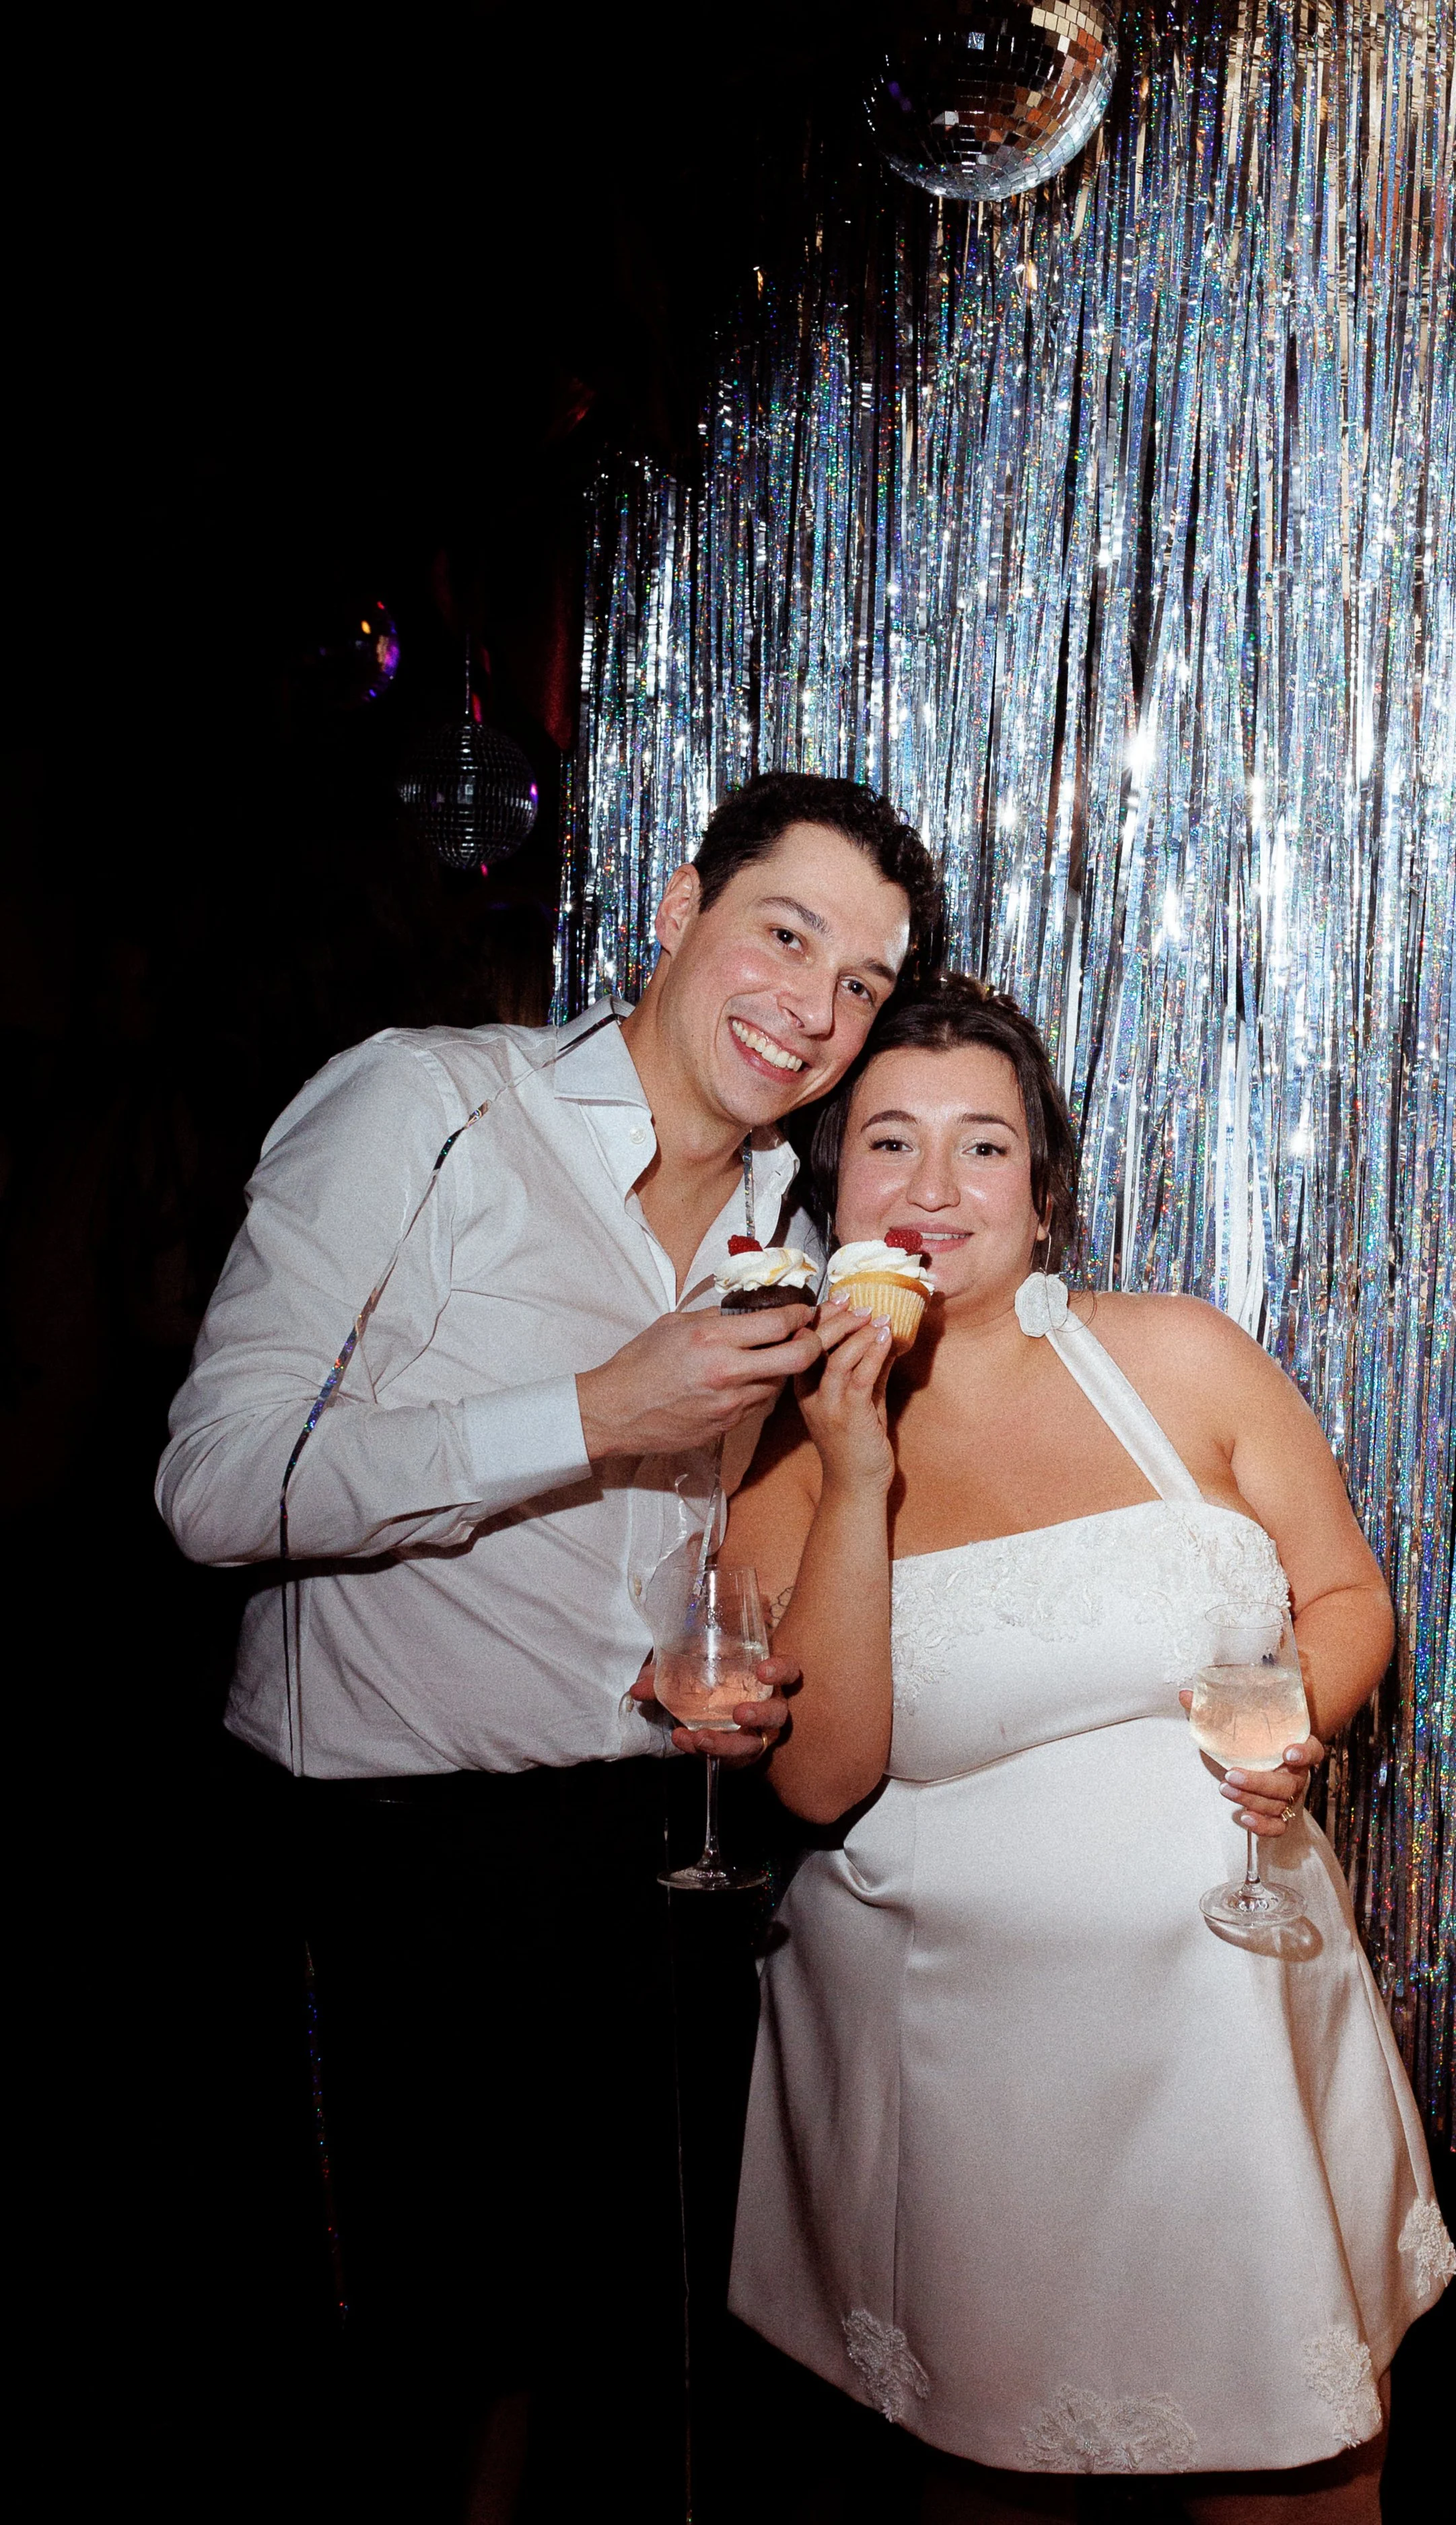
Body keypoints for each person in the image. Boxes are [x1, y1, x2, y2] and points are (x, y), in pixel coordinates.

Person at [155, 772, 942, 2523]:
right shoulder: (423, 1105)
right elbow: (216, 1485)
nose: (810, 1009)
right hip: (361, 1854)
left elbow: (662, 1562)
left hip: (627, 1855)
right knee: (370, 2380)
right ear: (674, 910)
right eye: (784, 932)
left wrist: (681, 1671)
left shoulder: (788, 1243)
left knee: (575, 2362)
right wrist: (597, 1408)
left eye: (863, 983)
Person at [722, 976, 1456, 2525]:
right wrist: (854, 1471)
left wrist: (1294, 1722)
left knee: (1306, 2476)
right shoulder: (778, 1458)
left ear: (1043, 1197)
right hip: (965, 2072)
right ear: (827, 1189)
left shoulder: (1180, 1358)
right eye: (886, 1144)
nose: (932, 1189)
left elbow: (1341, 1593)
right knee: (997, 2481)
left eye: (980, 1148)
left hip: (1231, 2038)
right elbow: (815, 1779)